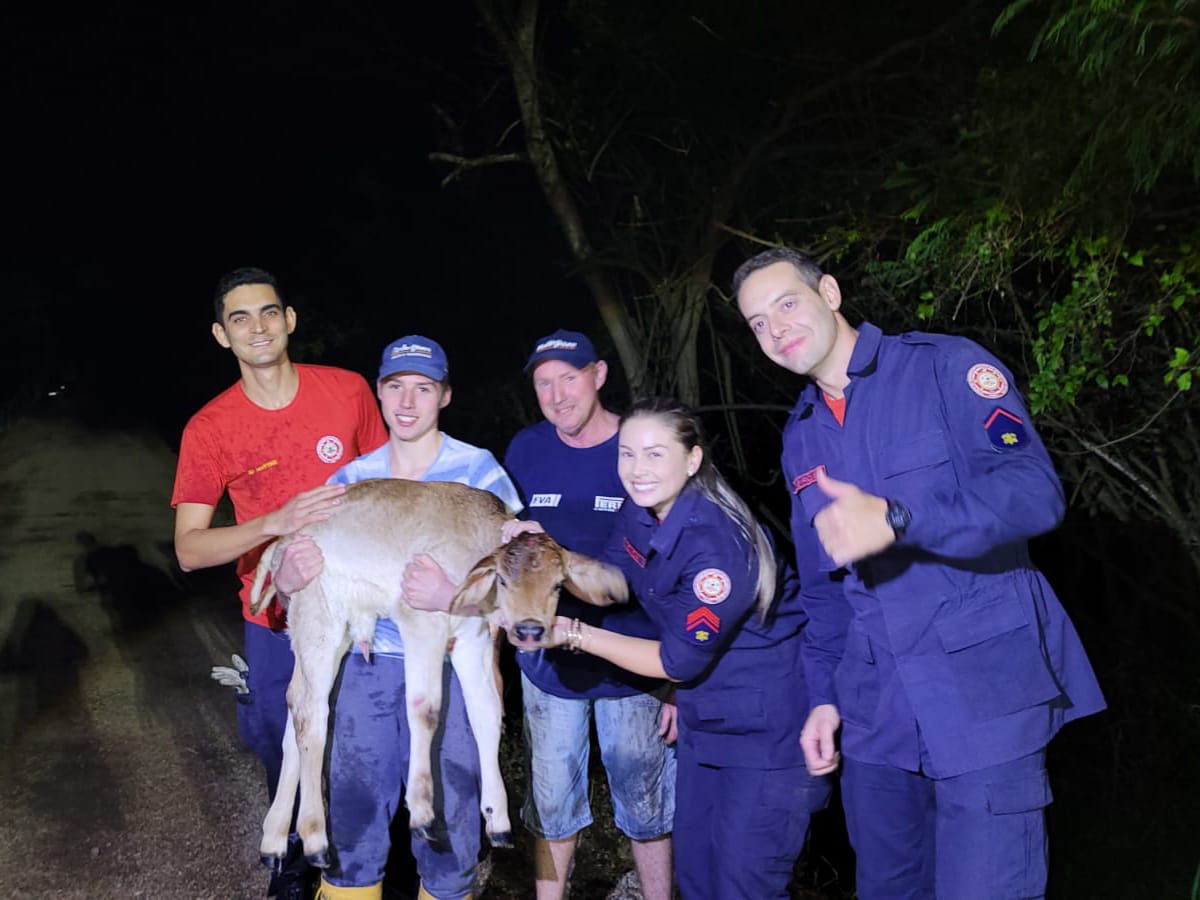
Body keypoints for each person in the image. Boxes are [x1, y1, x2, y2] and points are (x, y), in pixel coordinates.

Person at [733, 246, 1107, 899]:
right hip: (877, 712)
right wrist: (822, 695)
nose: (775, 328)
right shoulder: (801, 436)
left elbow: (1034, 492)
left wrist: (901, 518)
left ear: (829, 291)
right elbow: (824, 591)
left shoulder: (944, 367)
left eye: (785, 304)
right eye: (757, 323)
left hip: (982, 693)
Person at [543, 397, 831, 899]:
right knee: (695, 878)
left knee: (744, 886)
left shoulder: (718, 544)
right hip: (707, 722)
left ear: (693, 459)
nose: (636, 470)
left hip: (769, 736)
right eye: (627, 454)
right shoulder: (641, 510)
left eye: (655, 454)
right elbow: (613, 581)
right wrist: (547, 562)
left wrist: (572, 633)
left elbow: (674, 662)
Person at [273, 335, 523, 900]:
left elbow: (514, 583)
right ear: (379, 395)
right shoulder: (351, 480)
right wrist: (289, 582)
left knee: (449, 826)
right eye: (394, 388)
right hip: (368, 666)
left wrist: (460, 602)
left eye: (423, 388)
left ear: (445, 396)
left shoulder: (480, 472)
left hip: (453, 668)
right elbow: (311, 592)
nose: (407, 402)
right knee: (354, 819)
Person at [171, 266, 388, 899]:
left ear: (290, 319)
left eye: (269, 312)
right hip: (275, 622)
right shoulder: (209, 428)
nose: (257, 327)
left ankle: (368, 867)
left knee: (364, 746)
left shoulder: (346, 392)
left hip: (359, 610)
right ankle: (293, 867)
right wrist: (274, 522)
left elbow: (387, 485)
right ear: (221, 334)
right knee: (284, 743)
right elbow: (189, 550)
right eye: (240, 318)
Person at [504, 330, 675, 900]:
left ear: (599, 375)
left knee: (647, 808)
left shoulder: (638, 445)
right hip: (549, 668)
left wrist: (679, 683)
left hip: (632, 667)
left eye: (568, 378)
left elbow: (676, 561)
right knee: (551, 808)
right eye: (543, 383)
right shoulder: (525, 450)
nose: (556, 395)